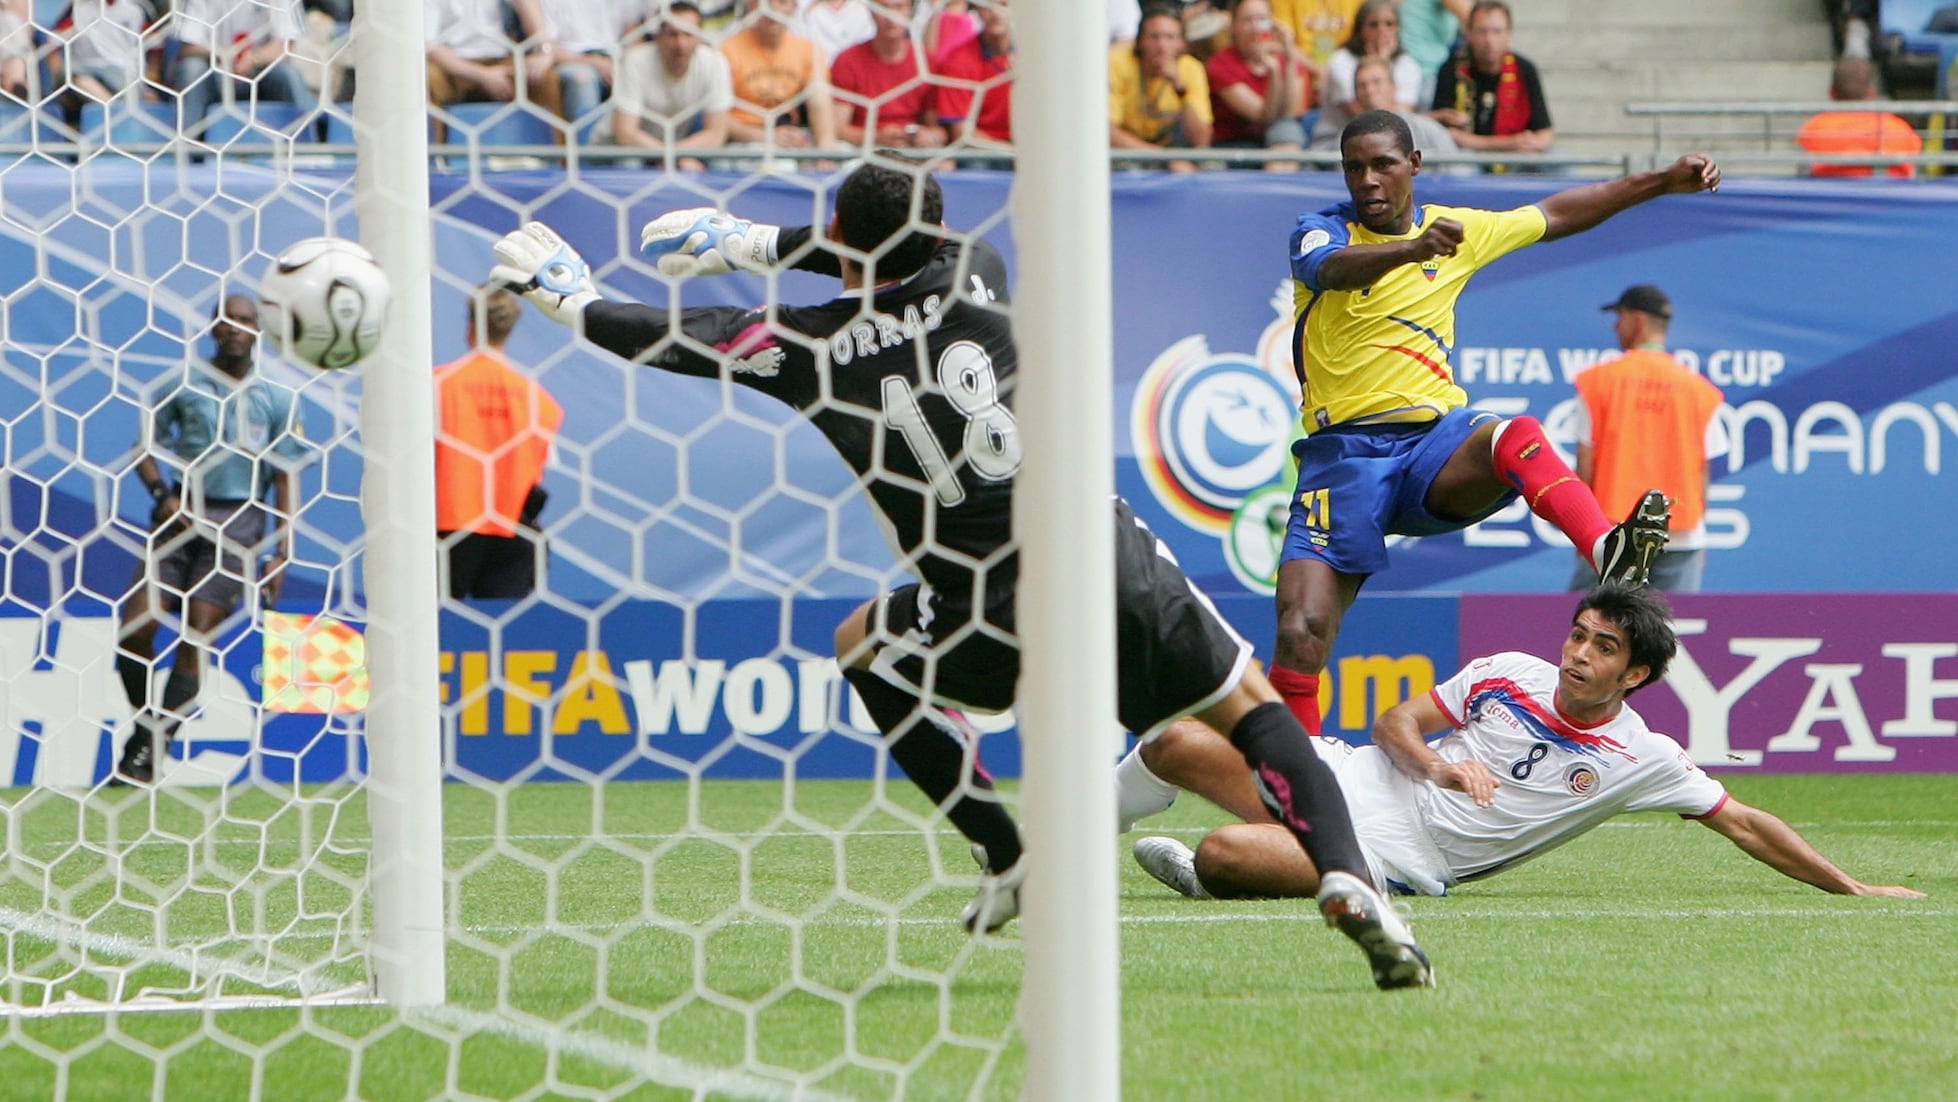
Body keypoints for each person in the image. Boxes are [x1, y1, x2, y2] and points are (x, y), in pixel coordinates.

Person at [489, 159, 1436, 989]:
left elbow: (673, 335)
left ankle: (1004, 849)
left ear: (844, 246)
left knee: (862, 645)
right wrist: (755, 240)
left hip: (986, 605)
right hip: (1103, 562)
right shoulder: (979, 277)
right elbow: (892, 249)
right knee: (1251, 710)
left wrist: (569, 297)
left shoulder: (808, 350)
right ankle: (1349, 874)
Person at [1263, 109, 1720, 744]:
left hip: (1431, 448)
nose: (1367, 180)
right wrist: (1415, 251)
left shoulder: (1460, 231)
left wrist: (1663, 182)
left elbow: (1560, 212)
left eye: (1383, 165)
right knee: (1299, 633)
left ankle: (1605, 549)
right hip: (1342, 460)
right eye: (1354, 167)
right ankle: (1301, 789)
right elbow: (1329, 271)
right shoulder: (1320, 233)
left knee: (1512, 433)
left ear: (1414, 165)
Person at [1121, 585, 1927, 903]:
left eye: (1603, 648)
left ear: (1635, 673)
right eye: (1579, 636)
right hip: (1347, 776)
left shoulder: (1643, 757)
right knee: (1176, 741)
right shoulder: (1509, 670)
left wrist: (1850, 888)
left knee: (1224, 854)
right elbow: (1394, 723)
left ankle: (1219, 875)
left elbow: (1745, 821)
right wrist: (1440, 762)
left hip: (1400, 859)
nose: (1579, 654)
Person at [111, 295, 309, 786]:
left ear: (259, 330)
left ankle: (148, 748)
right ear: (213, 329)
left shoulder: (278, 396)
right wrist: (162, 494)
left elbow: (286, 476)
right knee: (135, 628)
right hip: (181, 514)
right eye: (227, 320)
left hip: (239, 522)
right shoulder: (184, 383)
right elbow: (144, 448)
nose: (235, 328)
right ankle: (147, 725)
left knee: (196, 635)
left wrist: (284, 550)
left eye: (245, 320)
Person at [1567, 285, 1727, 594]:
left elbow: (1585, 464)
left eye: (1620, 317)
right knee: (1667, 635)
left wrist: (1583, 533)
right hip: (1681, 533)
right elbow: (1702, 472)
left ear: (1637, 320)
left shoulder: (1598, 382)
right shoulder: (1699, 391)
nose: (1616, 326)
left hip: (1613, 533)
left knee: (1594, 629)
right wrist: (1699, 531)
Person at [435, 286, 564, 601]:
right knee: (501, 643)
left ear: (470, 325)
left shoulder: (438, 385)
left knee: (434, 640)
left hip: (448, 528)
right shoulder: (539, 400)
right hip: (512, 531)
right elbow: (542, 465)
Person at [611, 1, 733, 168]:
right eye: (672, 34)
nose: (680, 44)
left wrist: (673, 156)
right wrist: (672, 158)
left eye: (688, 34)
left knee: (722, 164)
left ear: (700, 37)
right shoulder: (635, 61)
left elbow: (716, 133)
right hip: (623, 150)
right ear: (658, 36)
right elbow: (625, 133)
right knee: (629, 163)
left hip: (674, 149)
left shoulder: (715, 62)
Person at [1427, 0, 1552, 157]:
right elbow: (1445, 133)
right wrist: (1508, 144)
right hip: (1469, 156)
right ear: (1469, 33)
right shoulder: (1451, 68)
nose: (1489, 40)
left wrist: (1531, 142)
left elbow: (1545, 132)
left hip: (1517, 157)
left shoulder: (1525, 69)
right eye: (1482, 31)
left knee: (1560, 158)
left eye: (1497, 31)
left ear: (1509, 34)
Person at [173, 0, 316, 131]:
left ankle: (304, 147)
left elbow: (286, 44)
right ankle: (185, 147)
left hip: (260, 70)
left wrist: (253, 58)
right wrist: (223, 55)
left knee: (287, 73)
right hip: (214, 67)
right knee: (192, 68)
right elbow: (189, 44)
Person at [426, 0, 564, 126]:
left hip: (500, 61)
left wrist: (541, 51)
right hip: (451, 67)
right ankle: (436, 151)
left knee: (546, 79)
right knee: (427, 81)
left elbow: (529, 8)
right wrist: (483, 76)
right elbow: (429, 45)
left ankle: (556, 152)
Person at [1108, 4, 1212, 172]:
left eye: (1170, 37)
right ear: (1140, 41)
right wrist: (1163, 158)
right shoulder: (1117, 63)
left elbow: (1201, 140)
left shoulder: (1191, 68)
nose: (1162, 46)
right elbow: (1108, 132)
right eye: (1154, 37)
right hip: (1128, 153)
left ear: (1182, 43)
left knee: (1211, 167)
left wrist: (1180, 89)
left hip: (1172, 149)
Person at [829, 0, 946, 149]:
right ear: (871, 11)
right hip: (862, 150)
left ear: (911, 11)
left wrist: (928, 137)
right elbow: (838, 129)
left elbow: (939, 129)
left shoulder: (927, 62)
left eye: (899, 7)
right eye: (883, 7)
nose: (891, 15)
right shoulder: (847, 61)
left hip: (911, 152)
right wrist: (877, 137)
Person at [1205, 0, 1309, 164]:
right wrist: (1274, 73)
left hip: (1280, 139)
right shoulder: (1220, 63)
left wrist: (1290, 60)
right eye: (1247, 20)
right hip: (1234, 144)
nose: (1255, 28)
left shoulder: (1285, 58)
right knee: (1285, 132)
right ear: (1233, 26)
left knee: (1287, 129)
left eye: (1262, 19)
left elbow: (1291, 112)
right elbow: (1264, 117)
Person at [1309, 0, 1420, 148]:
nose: (1382, 30)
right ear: (1360, 29)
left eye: (1389, 23)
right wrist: (1381, 62)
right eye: (1374, 24)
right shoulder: (1340, 61)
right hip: (1335, 141)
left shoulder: (1408, 64)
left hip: (1388, 142)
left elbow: (1401, 118)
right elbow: (1363, 117)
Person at [1795, 56, 1922, 179]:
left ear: (1831, 93)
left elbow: (1803, 182)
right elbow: (1912, 179)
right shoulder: (1901, 130)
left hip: (1830, 200)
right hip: (1890, 199)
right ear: (1872, 92)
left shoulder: (1812, 130)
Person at [1348, 54, 1457, 164]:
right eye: (1362, 85)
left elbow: (1459, 172)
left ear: (1393, 87)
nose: (1369, 91)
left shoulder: (1428, 131)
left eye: (1377, 82)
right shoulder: (1348, 138)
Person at [930, 0, 1011, 148]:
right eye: (988, 6)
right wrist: (1013, 152)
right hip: (983, 155)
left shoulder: (1037, 59)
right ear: (976, 7)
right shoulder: (958, 61)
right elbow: (962, 135)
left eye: (1004, 4)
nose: (996, 13)